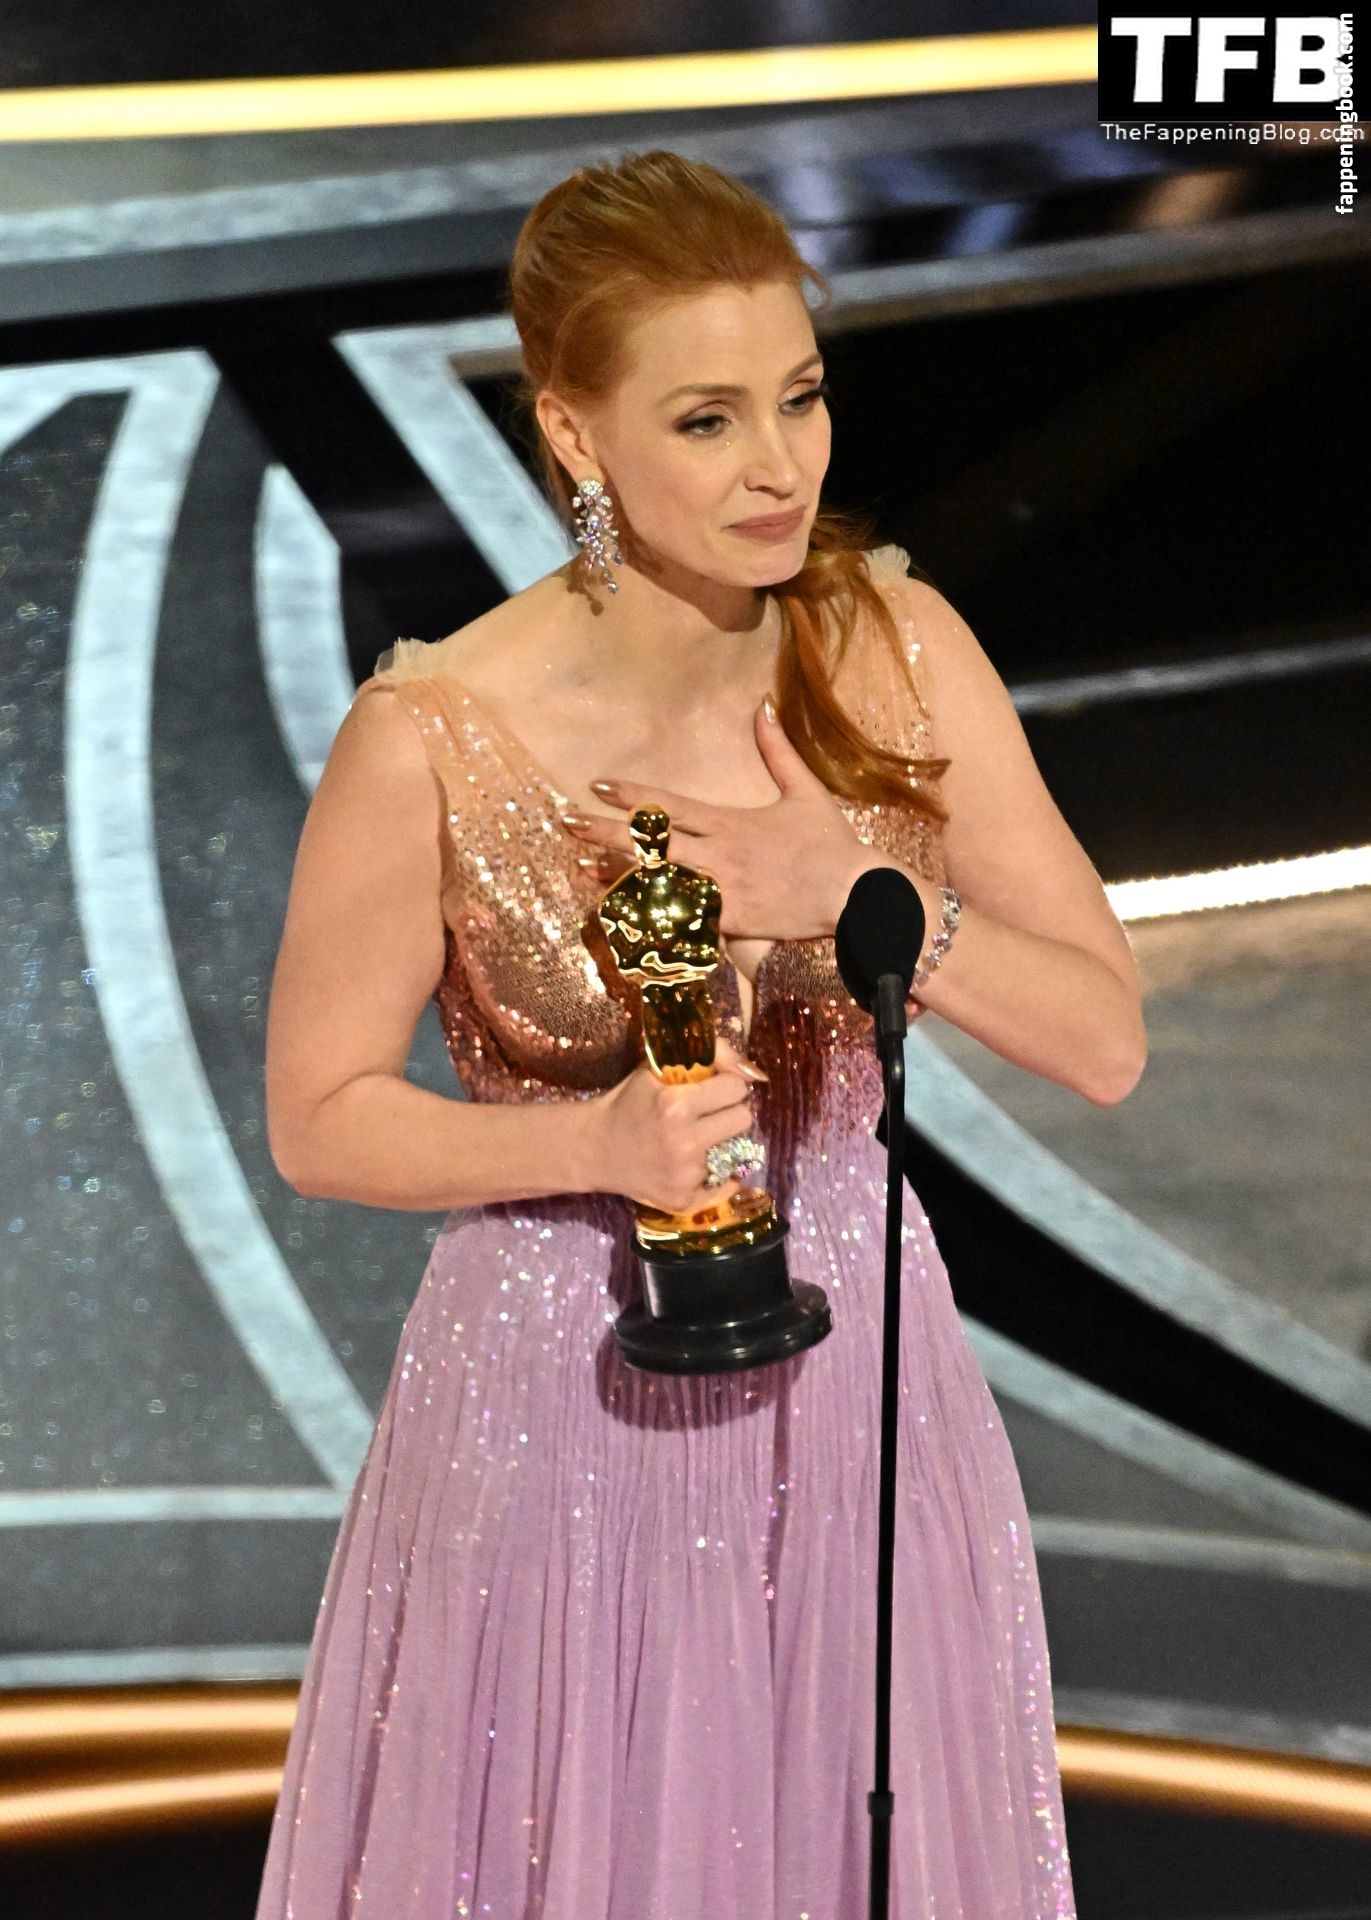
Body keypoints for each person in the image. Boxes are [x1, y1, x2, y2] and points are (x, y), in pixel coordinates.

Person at [255, 149, 1144, 1920]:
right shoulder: (432, 734)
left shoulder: (897, 648)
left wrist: (867, 895)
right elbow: (321, 1114)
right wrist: (587, 1144)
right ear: (575, 436)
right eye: (708, 420)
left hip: (866, 1365)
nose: (778, 467)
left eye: (799, 398)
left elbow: (1104, 1038)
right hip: (558, 1396)